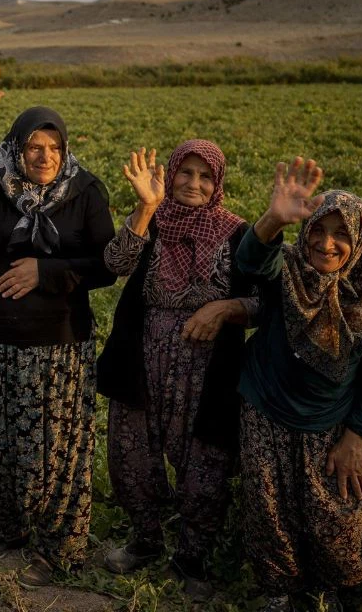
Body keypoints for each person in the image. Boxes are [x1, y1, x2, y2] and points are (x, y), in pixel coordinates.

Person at [0, 63, 116, 586]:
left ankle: (60, 546)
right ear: (17, 147)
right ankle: (4, 526)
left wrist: (47, 271)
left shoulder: (85, 191)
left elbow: (106, 265)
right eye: (34, 147)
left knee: (57, 448)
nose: (44, 158)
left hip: (57, 344)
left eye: (54, 148)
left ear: (64, 151)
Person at [235, 159, 362, 612]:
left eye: (341, 234)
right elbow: (250, 262)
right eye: (318, 229)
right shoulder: (287, 269)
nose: (326, 243)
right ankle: (278, 589)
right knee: (270, 511)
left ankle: (326, 584)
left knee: (336, 514)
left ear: (360, 240)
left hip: (330, 422)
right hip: (267, 410)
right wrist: (273, 219)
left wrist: (357, 435)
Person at [97, 142, 257, 600]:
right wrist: (145, 209)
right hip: (143, 353)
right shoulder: (153, 219)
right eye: (185, 173)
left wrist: (225, 308)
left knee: (204, 459)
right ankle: (145, 540)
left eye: (205, 177)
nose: (193, 184)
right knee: (133, 452)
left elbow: (266, 302)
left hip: (206, 364)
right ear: (170, 175)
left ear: (218, 183)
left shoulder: (237, 234)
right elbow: (115, 264)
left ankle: (193, 555)